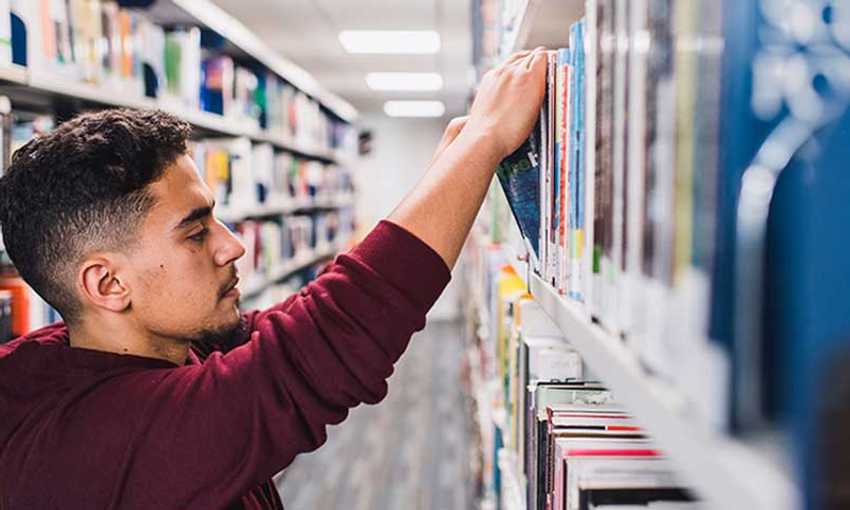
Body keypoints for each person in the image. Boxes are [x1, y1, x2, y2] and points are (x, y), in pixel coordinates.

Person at [0, 48, 547, 509]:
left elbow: (301, 324)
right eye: (195, 234)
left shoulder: (128, 348)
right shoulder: (97, 441)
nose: (233, 244)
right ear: (107, 285)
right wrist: (483, 145)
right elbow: (318, 352)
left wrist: (453, 164)